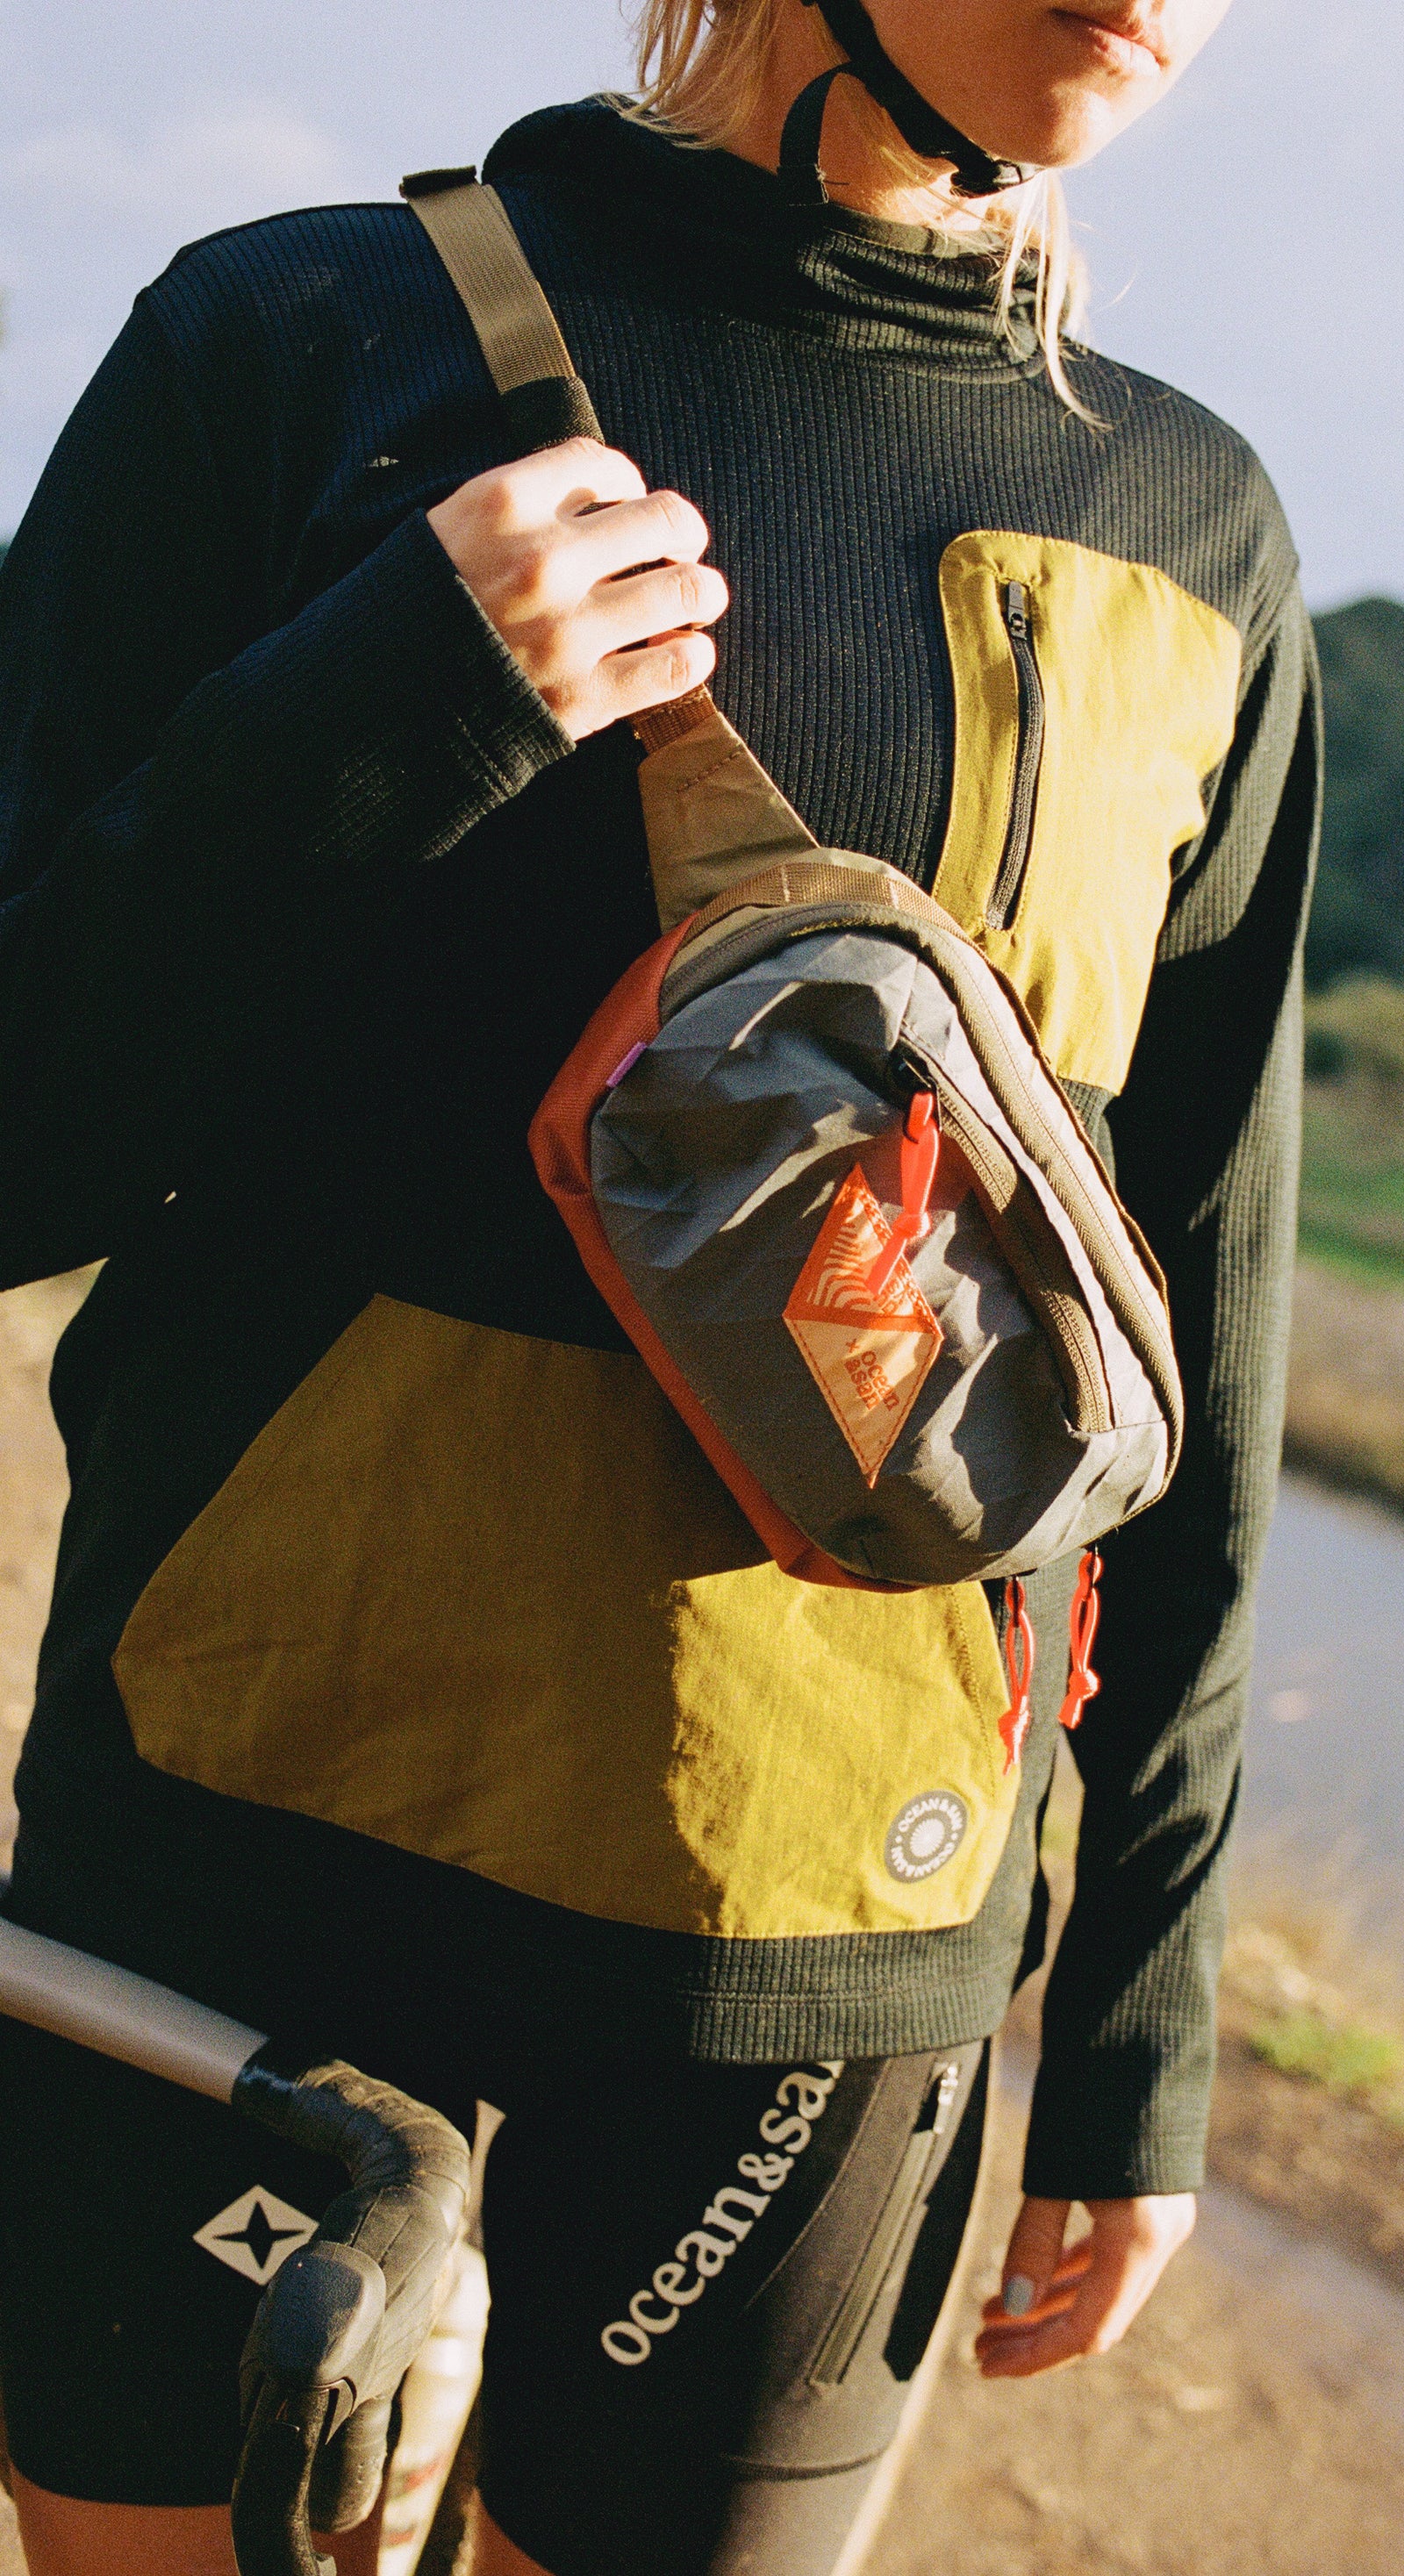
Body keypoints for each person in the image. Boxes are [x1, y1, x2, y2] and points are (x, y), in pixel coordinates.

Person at [0, 0, 1318, 2569]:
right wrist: (388, 702)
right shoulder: (293, 341)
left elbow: (1191, 1317)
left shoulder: (1191, 531)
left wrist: (1139, 2032)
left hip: (834, 1928)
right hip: (248, 1820)